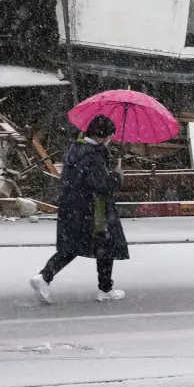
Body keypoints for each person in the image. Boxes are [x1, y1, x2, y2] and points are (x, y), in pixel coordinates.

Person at [30, 114, 130, 303]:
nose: (110, 141)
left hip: (72, 206)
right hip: (94, 209)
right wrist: (117, 176)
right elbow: (100, 186)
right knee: (105, 246)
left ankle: (44, 277)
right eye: (109, 137)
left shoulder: (75, 149)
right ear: (103, 136)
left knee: (72, 246)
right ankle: (105, 289)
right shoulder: (93, 155)